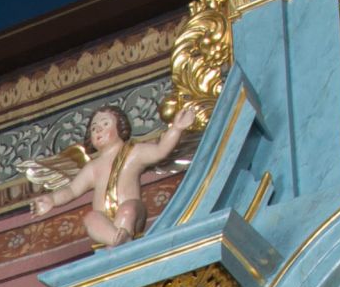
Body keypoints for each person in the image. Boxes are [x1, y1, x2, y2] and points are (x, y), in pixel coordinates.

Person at [24, 94, 205, 251]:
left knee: (127, 210)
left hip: (133, 212)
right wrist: (52, 199)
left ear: (120, 127)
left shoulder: (133, 153)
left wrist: (176, 128)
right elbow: (72, 190)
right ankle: (116, 241)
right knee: (91, 218)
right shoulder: (93, 168)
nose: (98, 129)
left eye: (105, 124)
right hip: (105, 219)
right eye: (94, 127)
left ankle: (121, 244)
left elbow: (160, 151)